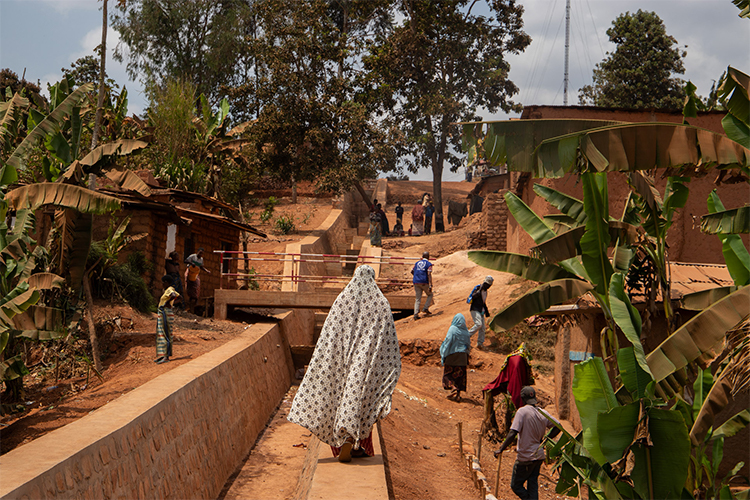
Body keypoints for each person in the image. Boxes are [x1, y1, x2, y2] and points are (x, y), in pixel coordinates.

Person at [288, 265, 401, 462]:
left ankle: (343, 441)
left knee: (340, 399)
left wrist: (329, 360)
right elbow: (388, 340)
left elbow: (329, 335)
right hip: (367, 364)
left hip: (342, 362)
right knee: (363, 402)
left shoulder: (342, 300)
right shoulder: (381, 303)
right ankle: (356, 441)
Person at [493, 386, 560, 500]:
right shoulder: (542, 412)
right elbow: (558, 426)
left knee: (516, 485)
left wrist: (501, 448)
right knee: (532, 484)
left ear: (523, 399)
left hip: (526, 457)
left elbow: (513, 432)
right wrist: (545, 439)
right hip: (538, 456)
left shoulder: (522, 412)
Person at [440, 314, 471, 402]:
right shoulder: (466, 331)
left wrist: (444, 355)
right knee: (460, 376)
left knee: (448, 374)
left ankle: (452, 386)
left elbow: (448, 342)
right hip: (463, 357)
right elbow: (468, 345)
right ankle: (458, 395)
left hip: (452, 355)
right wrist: (467, 357)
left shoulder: (452, 329)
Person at [155, 276, 180, 364]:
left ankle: (166, 357)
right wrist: (171, 304)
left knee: (165, 333)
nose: (162, 284)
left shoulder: (169, 289)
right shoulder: (169, 290)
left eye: (163, 282)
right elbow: (179, 297)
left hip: (164, 312)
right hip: (164, 312)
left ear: (166, 282)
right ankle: (163, 355)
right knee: (162, 332)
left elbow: (173, 295)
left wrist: (167, 303)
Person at [469, 275, 493, 349]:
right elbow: (472, 296)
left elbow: (483, 302)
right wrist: (478, 292)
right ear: (484, 282)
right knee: (478, 324)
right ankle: (466, 335)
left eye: (489, 285)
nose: (488, 286)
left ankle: (480, 344)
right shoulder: (478, 288)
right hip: (475, 309)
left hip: (481, 310)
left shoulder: (485, 291)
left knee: (482, 328)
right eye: (487, 284)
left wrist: (487, 311)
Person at [184, 248, 211, 314]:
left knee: (197, 285)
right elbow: (185, 261)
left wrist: (206, 271)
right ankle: (188, 302)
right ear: (197, 252)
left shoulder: (201, 259)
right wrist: (191, 263)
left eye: (202, 253)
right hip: (190, 271)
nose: (201, 254)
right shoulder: (192, 256)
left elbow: (201, 267)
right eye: (200, 253)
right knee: (188, 284)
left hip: (196, 273)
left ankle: (195, 299)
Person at [411, 251, 433, 320]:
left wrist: (417, 277)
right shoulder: (429, 264)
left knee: (418, 298)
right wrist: (430, 284)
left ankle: (415, 314)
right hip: (424, 282)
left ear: (422, 256)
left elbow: (412, 271)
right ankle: (425, 308)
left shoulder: (417, 263)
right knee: (430, 295)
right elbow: (429, 274)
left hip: (416, 282)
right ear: (428, 257)